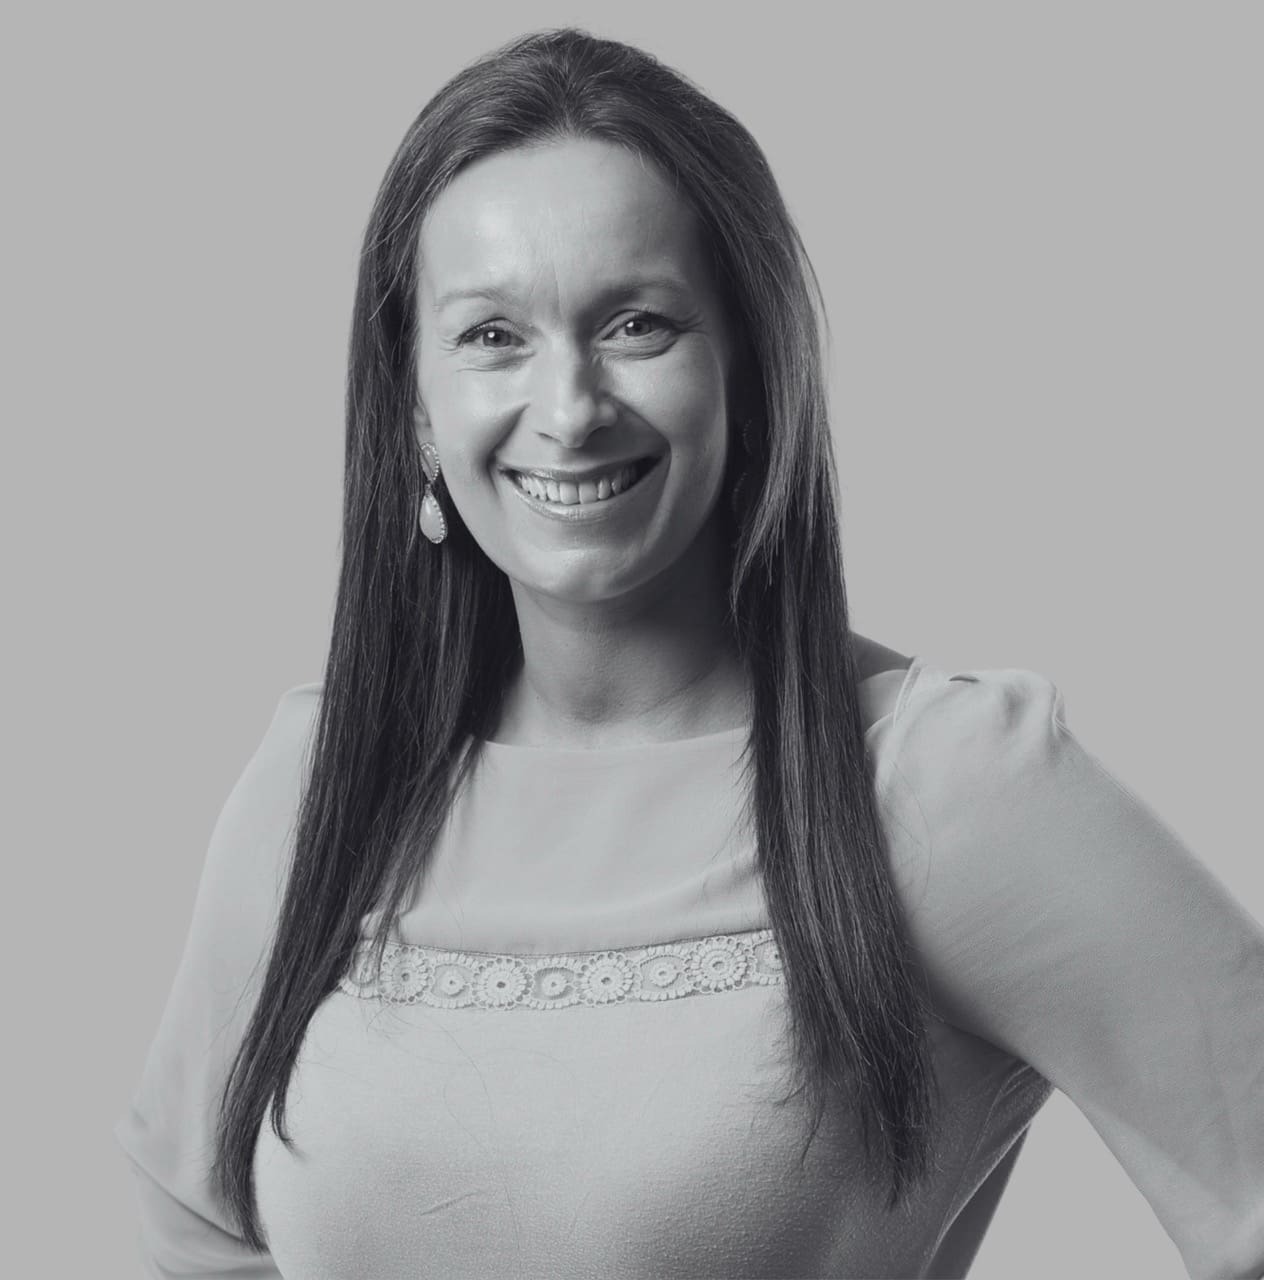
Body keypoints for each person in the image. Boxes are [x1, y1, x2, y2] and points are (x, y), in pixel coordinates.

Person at [112, 27, 1264, 1280]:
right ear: (413, 409)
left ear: (751, 372)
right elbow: (198, 1227)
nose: (567, 409)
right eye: (492, 335)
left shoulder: (940, 785)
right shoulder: (316, 783)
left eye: (637, 324)